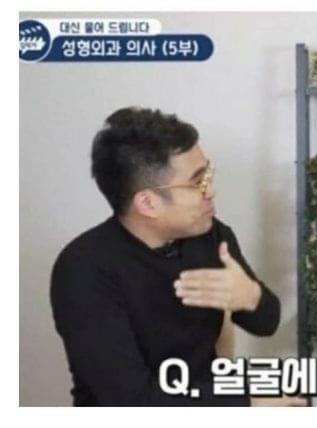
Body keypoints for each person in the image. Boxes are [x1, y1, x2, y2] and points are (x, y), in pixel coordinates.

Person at [50, 107, 302, 406]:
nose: (210, 191)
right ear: (148, 204)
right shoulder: (84, 270)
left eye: (208, 174)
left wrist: (250, 297)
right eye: (197, 182)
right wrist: (247, 403)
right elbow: (133, 402)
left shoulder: (210, 236)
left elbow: (266, 323)